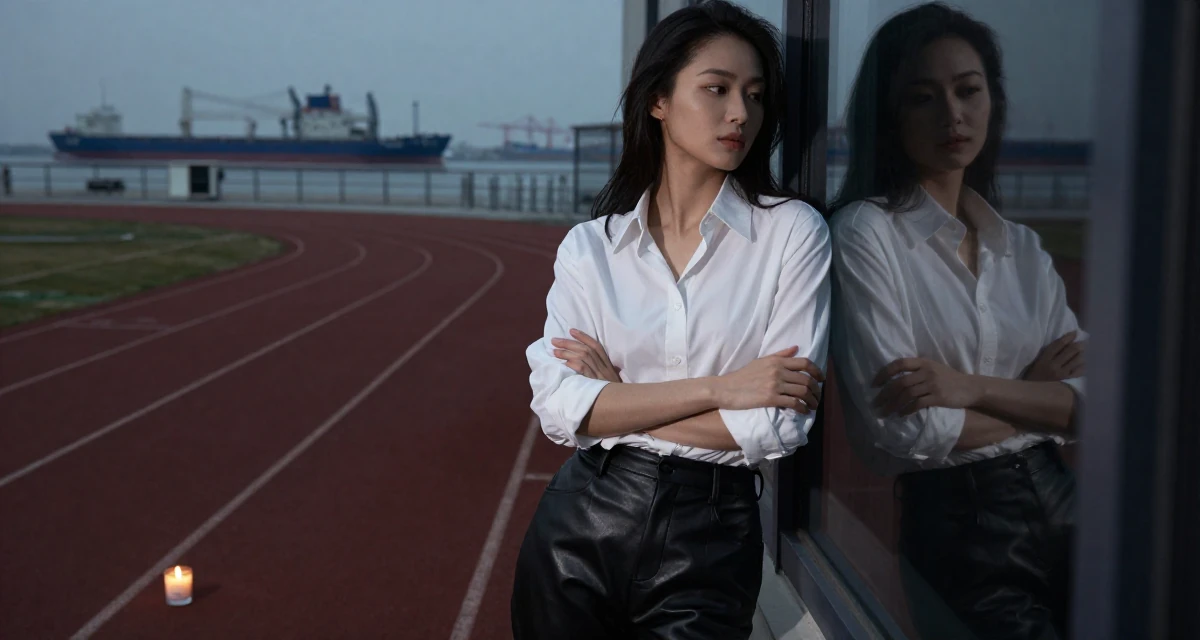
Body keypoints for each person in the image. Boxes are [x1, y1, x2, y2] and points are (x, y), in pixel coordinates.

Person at [512, 2, 831, 638]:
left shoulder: (792, 233)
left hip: (711, 540)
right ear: (658, 100)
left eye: (755, 95)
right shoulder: (590, 247)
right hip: (579, 526)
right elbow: (556, 405)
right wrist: (721, 388)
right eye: (716, 89)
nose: (741, 112)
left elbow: (775, 423)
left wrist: (618, 400)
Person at [826, 4, 1085, 639]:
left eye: (968, 90)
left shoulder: (1019, 247)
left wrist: (968, 387)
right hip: (960, 528)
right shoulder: (865, 235)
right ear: (891, 116)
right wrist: (1036, 395)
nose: (953, 115)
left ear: (991, 101)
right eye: (923, 97)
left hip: (1067, 506)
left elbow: (1095, 405)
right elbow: (901, 430)